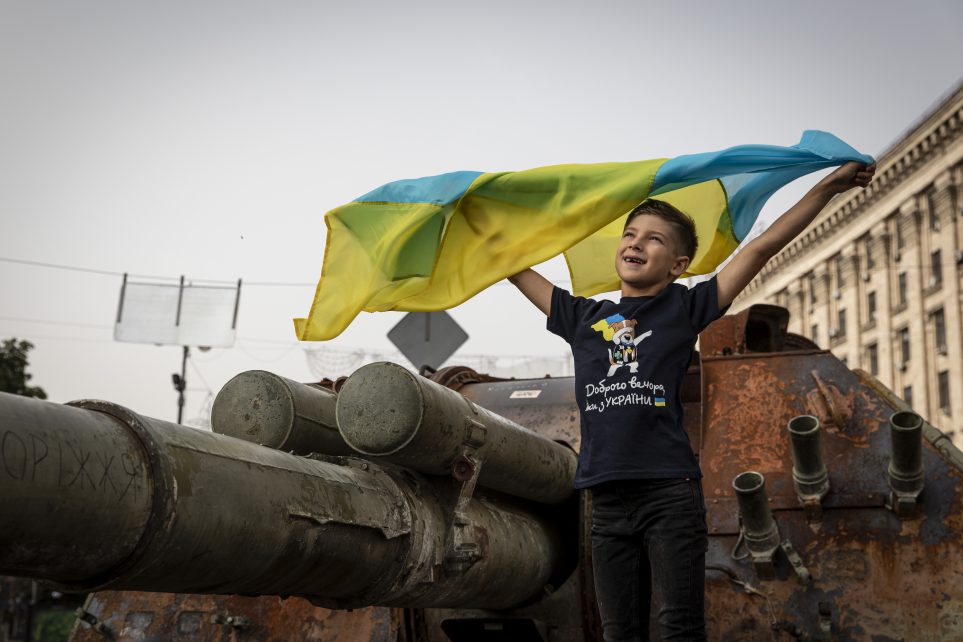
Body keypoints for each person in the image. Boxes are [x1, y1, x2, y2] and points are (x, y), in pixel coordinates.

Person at [507, 161, 876, 641]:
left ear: (678, 265)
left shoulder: (684, 308)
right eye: (631, 234)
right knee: (620, 632)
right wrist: (477, 221)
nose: (636, 243)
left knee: (680, 627)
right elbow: (512, 267)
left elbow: (762, 247)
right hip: (605, 501)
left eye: (654, 239)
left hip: (668, 494)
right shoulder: (582, 317)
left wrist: (827, 188)